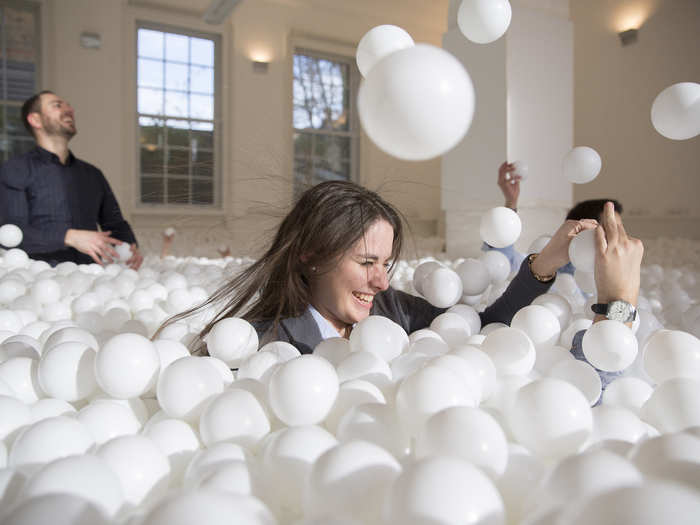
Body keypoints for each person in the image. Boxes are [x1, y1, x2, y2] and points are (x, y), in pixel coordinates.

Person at [159, 180, 607, 357]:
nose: (382, 280)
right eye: (366, 262)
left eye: (387, 263)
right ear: (310, 254)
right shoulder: (264, 341)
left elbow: (483, 329)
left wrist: (545, 263)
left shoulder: (394, 310)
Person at [0, 91, 142, 269]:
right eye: (57, 105)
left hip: (91, 277)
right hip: (36, 279)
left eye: (68, 106)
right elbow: (12, 234)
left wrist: (130, 247)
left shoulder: (93, 174)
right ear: (35, 120)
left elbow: (115, 224)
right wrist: (69, 237)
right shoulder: (15, 169)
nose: (69, 109)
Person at [484, 161, 624, 275]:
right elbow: (501, 264)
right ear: (583, 232)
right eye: (612, 229)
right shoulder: (545, 270)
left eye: (619, 230)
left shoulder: (619, 278)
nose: (620, 237)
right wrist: (510, 202)